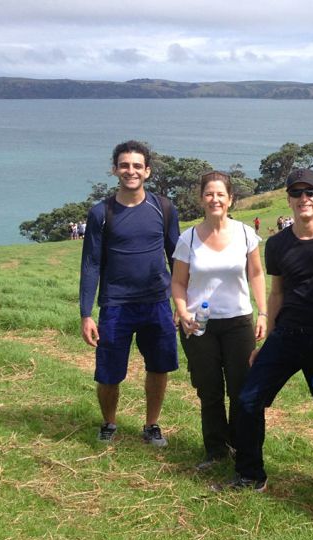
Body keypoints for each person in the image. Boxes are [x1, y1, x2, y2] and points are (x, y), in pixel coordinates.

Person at [217, 168, 313, 494]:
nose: (303, 199)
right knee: (249, 400)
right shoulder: (277, 244)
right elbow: (277, 292)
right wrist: (268, 338)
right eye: (296, 193)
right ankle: (250, 474)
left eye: (310, 193)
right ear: (289, 200)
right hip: (287, 334)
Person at [79, 140, 180, 447]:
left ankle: (151, 425)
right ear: (115, 169)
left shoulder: (163, 207)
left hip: (156, 302)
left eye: (137, 166)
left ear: (147, 171)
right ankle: (109, 423)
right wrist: (86, 313)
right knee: (108, 373)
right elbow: (91, 264)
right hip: (116, 305)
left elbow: (176, 257)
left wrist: (181, 302)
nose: (130, 171)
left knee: (159, 366)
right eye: (124, 165)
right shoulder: (101, 213)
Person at [172, 171, 268, 470]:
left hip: (239, 321)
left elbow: (256, 273)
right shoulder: (187, 238)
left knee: (241, 390)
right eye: (209, 194)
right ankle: (215, 450)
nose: (215, 199)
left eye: (220, 194)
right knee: (209, 390)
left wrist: (263, 312)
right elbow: (177, 282)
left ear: (230, 200)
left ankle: (243, 447)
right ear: (201, 198)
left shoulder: (244, 234)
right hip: (199, 325)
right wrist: (183, 311)